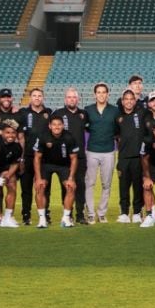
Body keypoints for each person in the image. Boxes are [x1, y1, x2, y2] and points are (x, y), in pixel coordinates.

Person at [50, 88, 90, 224]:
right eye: (69, 97)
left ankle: (80, 215)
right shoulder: (58, 113)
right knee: (66, 186)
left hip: (80, 157)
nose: (71, 99)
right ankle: (68, 214)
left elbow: (89, 128)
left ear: (78, 99)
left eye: (74, 97)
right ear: (65, 99)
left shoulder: (83, 114)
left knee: (80, 185)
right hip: (64, 157)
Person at [13, 88, 51, 225]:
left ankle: (45, 214)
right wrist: (21, 157)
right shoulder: (23, 113)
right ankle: (26, 215)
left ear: (43, 97)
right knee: (26, 188)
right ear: (30, 98)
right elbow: (14, 128)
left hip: (44, 157)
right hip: (28, 156)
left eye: (39, 95)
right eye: (34, 95)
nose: (37, 98)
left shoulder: (49, 113)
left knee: (44, 187)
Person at [84, 82, 120, 224]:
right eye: (98, 92)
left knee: (106, 184)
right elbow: (86, 127)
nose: (101, 95)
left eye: (103, 92)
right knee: (90, 183)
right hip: (92, 150)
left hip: (109, 151)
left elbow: (118, 129)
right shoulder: (88, 110)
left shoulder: (114, 110)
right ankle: (90, 213)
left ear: (107, 94)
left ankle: (102, 213)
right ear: (94, 94)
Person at [33, 116, 79, 228]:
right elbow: (37, 158)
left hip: (63, 165)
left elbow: (74, 159)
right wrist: (38, 178)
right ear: (50, 126)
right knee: (40, 186)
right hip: (46, 165)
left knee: (70, 187)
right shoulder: (43, 136)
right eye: (54, 124)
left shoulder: (69, 137)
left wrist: (71, 178)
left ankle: (66, 218)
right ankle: (42, 219)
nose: (57, 127)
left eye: (59, 124)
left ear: (63, 126)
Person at [115, 90, 147, 223]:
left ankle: (137, 212)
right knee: (123, 186)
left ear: (134, 101)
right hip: (123, 157)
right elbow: (116, 135)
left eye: (131, 99)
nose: (128, 101)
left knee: (138, 186)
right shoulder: (117, 117)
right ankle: (124, 212)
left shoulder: (141, 113)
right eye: (126, 99)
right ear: (122, 101)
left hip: (138, 157)